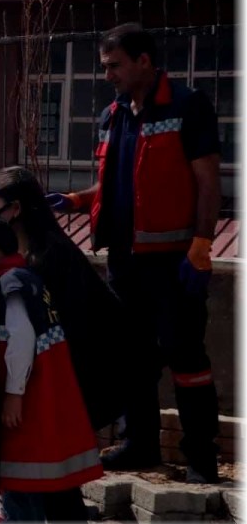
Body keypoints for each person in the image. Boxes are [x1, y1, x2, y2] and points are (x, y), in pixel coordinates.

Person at [46, 24, 223, 483]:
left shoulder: (188, 107)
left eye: (114, 65)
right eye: (104, 66)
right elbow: (114, 184)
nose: (107, 75)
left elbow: (208, 183)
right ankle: (140, 444)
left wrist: (201, 249)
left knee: (185, 357)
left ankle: (200, 457)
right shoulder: (113, 115)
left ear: (144, 61)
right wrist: (76, 201)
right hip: (125, 261)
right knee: (133, 356)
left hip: (174, 263)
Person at [0, 211, 102, 523]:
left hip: (29, 407)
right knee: (59, 494)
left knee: (21, 488)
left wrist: (13, 393)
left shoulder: (9, 282)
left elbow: (22, 336)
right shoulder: (29, 278)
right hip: (46, 403)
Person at [0, 166, 131, 435]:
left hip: (83, 369)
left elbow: (67, 325)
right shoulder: (19, 252)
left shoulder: (50, 256)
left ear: (15, 209)